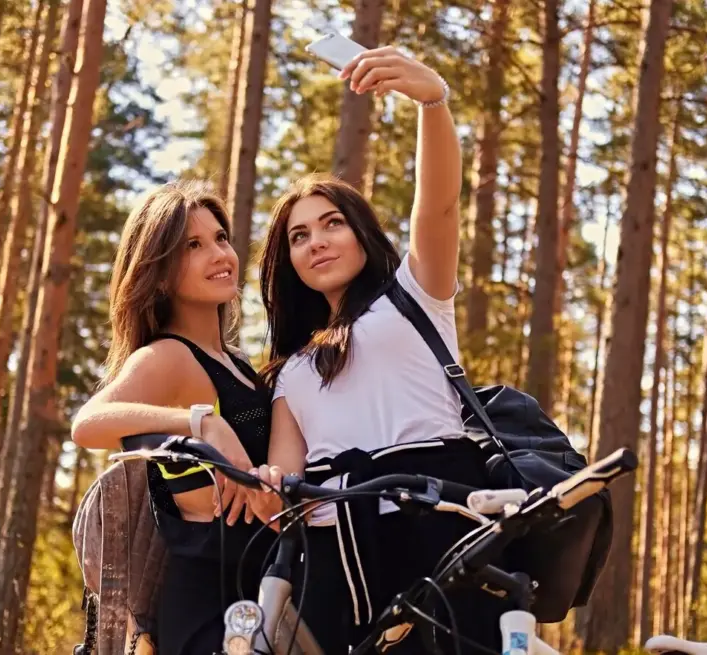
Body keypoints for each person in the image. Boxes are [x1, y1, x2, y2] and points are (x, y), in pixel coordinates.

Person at [250, 48, 502, 652]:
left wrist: (432, 102)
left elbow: (438, 204)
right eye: (299, 236)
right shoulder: (291, 372)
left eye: (332, 223)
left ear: (362, 232)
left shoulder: (416, 295)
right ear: (288, 261)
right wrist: (266, 482)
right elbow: (285, 480)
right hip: (338, 551)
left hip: (441, 520)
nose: (317, 241)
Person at [70, 181, 273, 655]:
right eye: (193, 246)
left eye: (220, 238)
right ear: (159, 275)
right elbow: (88, 423)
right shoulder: (168, 356)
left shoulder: (237, 364)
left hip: (259, 587)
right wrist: (203, 424)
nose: (219, 254)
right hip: (208, 605)